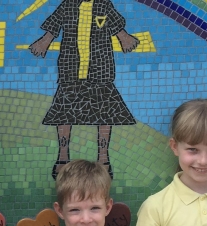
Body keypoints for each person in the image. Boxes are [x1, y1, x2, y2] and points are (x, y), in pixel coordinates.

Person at [28, 0, 139, 179]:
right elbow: (55, 25)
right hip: (70, 68)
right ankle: (63, 156)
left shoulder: (104, 5)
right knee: (64, 112)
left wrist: (124, 38)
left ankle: (103, 157)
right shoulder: (68, 5)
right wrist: (44, 41)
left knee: (105, 113)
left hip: (100, 69)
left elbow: (116, 26)